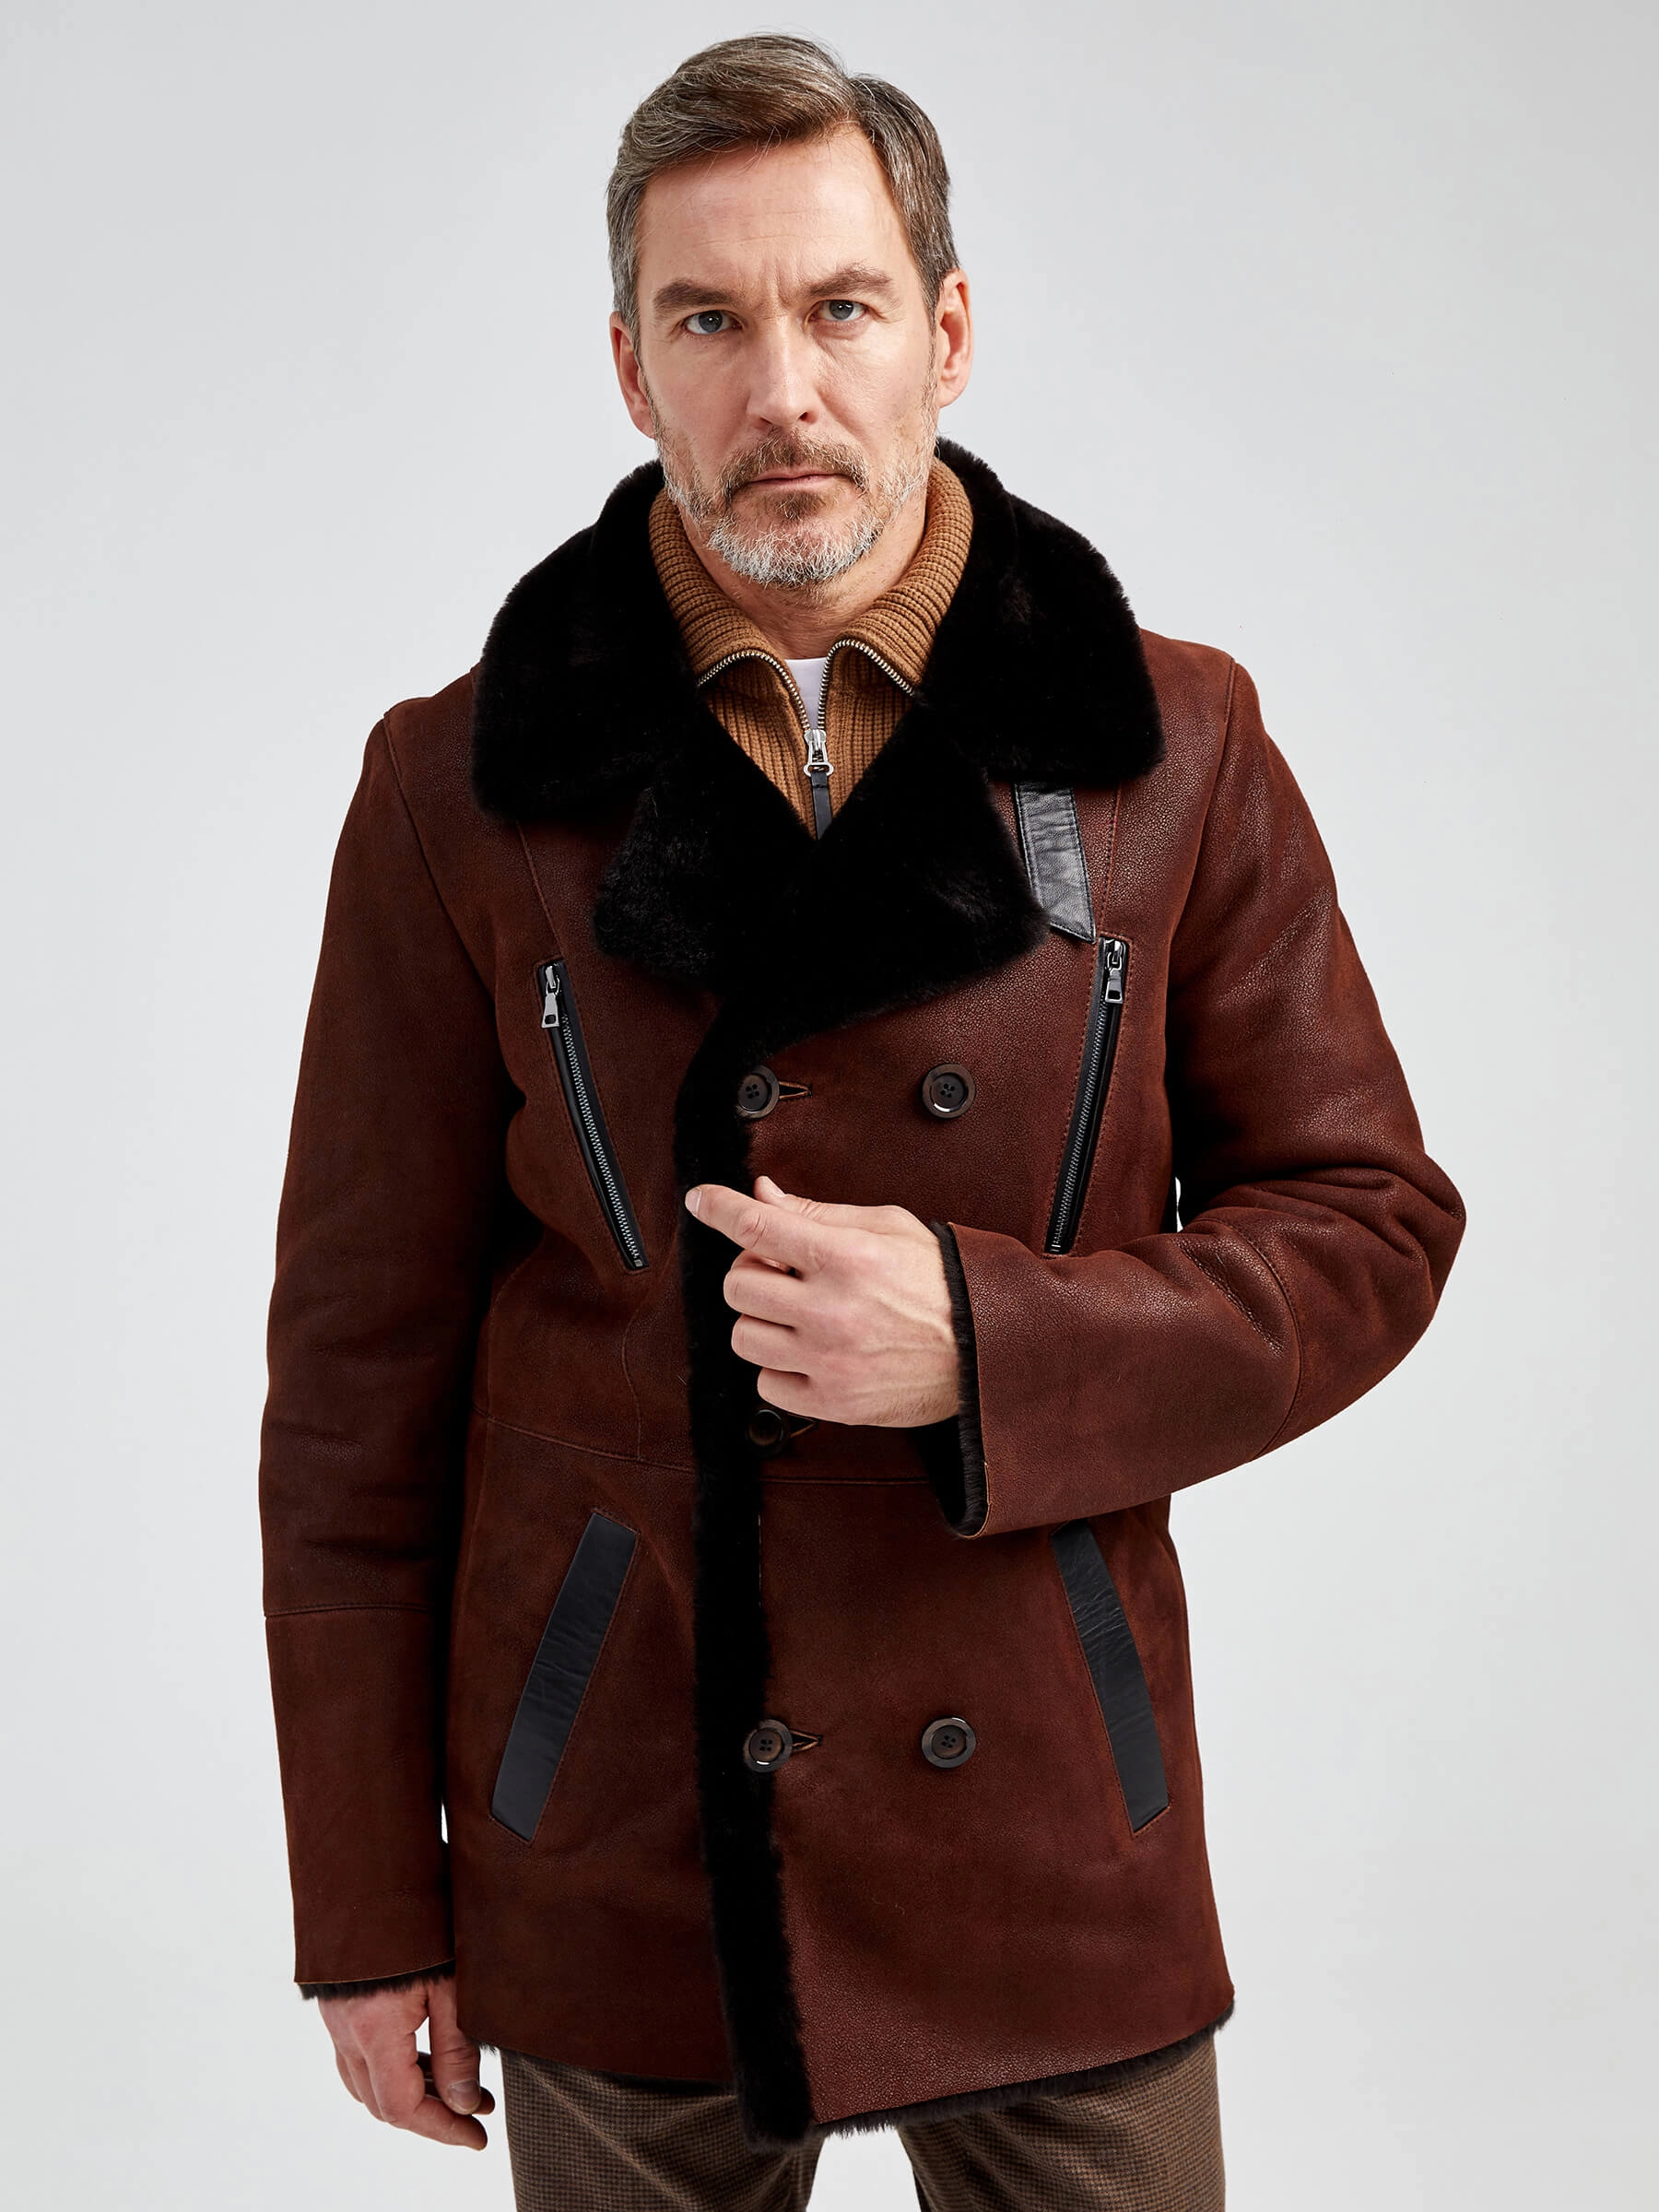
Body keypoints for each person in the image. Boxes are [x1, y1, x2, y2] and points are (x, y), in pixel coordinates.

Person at [259, 33, 1465, 2211]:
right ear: (629, 368)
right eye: (709, 320)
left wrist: (992, 1345)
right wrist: (366, 1905)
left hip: (1049, 1813)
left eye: (839, 307)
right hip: (621, 1821)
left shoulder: (1175, 745)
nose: (782, 389)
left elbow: (1367, 1221)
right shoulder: (454, 788)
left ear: (948, 333)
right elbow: (357, 1384)